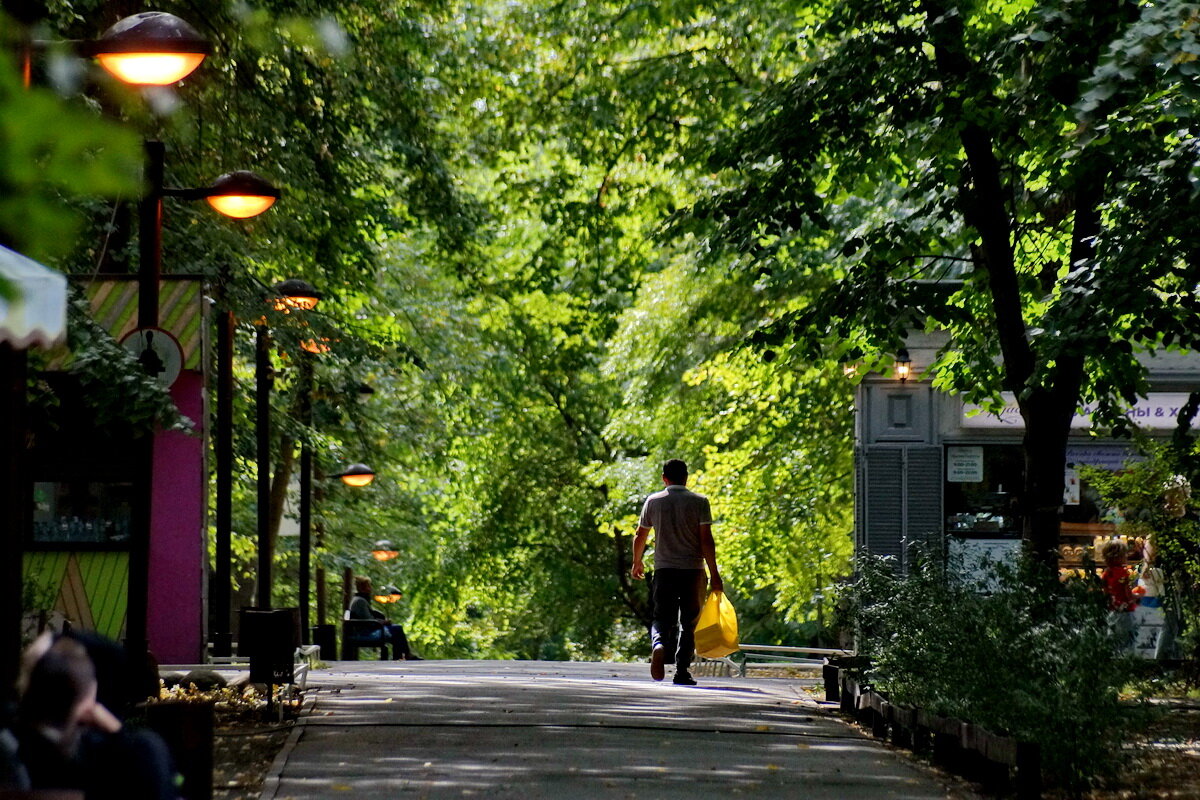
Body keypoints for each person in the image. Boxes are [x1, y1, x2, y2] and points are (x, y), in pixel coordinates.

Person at [631, 458, 723, 686]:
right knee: (690, 622)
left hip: (664, 569)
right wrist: (714, 574)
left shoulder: (653, 501)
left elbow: (640, 535)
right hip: (693, 571)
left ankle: (659, 644)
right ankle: (682, 670)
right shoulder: (700, 501)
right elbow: (706, 540)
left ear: (664, 478)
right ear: (686, 477)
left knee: (662, 617)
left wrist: (637, 561)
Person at [347, 576, 422, 660]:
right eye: (368, 586)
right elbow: (368, 621)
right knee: (397, 630)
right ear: (362, 588)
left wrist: (381, 620)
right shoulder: (360, 601)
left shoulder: (361, 600)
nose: (370, 588)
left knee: (396, 629)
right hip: (365, 633)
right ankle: (405, 655)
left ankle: (401, 656)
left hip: (366, 630)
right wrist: (383, 622)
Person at [1100, 539, 1137, 652]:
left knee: (1113, 637)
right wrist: (1135, 597)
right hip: (1125, 610)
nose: (1126, 556)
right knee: (1128, 639)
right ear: (1117, 556)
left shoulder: (1106, 573)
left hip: (1112, 609)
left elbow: (1105, 592)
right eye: (1124, 554)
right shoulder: (1123, 572)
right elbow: (1126, 592)